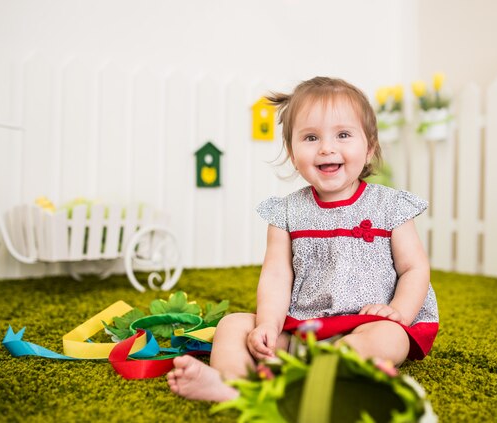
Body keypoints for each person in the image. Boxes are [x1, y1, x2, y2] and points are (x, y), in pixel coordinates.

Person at [167, 76, 439, 402]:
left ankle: (316, 379)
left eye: (342, 134)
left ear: (369, 148)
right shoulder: (286, 213)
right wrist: (268, 324)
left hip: (366, 325)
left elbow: (414, 268)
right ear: (292, 154)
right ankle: (232, 385)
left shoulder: (390, 206)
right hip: (302, 327)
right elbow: (277, 275)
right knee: (233, 325)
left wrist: (399, 313)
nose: (326, 147)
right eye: (311, 137)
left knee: (390, 339)